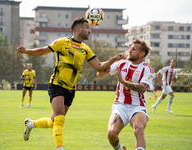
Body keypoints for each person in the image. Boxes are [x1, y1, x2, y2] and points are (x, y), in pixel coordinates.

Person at [17, 17, 125, 150]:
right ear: (78, 28)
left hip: (71, 89)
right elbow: (42, 50)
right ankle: (60, 148)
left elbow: (98, 67)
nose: (89, 31)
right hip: (56, 84)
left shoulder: (85, 48)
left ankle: (31, 124)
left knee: (54, 121)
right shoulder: (62, 42)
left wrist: (113, 59)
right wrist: (26, 51)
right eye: (87, 27)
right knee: (60, 117)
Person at [97, 38, 154, 150]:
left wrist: (123, 82)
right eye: (130, 48)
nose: (129, 51)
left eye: (133, 49)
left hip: (138, 106)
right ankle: (120, 149)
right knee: (111, 134)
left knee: (139, 128)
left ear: (142, 54)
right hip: (120, 105)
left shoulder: (147, 70)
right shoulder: (121, 63)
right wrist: (113, 59)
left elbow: (142, 88)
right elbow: (100, 74)